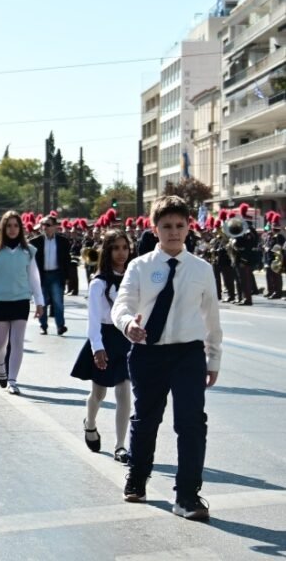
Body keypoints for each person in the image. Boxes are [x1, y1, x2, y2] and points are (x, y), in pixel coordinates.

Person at [112, 195, 222, 521]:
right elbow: (123, 304)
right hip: (148, 352)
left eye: (179, 226)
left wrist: (213, 359)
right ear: (154, 228)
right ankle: (137, 478)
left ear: (189, 227)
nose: (173, 232)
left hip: (188, 353)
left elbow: (212, 319)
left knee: (191, 424)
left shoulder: (201, 269)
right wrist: (128, 323)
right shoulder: (140, 266)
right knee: (146, 420)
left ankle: (187, 496)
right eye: (166, 226)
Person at [71, 228, 133, 463]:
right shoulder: (99, 283)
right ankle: (91, 424)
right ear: (107, 251)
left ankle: (120, 445)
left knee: (124, 392)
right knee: (98, 393)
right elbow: (94, 320)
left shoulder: (133, 277)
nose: (121, 253)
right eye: (115, 248)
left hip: (126, 338)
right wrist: (97, 347)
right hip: (104, 339)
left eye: (125, 248)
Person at [0, 211, 44, 394]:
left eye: (16, 226)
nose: (13, 229)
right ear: (3, 228)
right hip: (0, 301)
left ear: (20, 228)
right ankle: (1, 366)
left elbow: (34, 278)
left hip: (21, 300)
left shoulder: (28, 251)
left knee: (17, 343)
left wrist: (39, 301)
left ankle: (13, 381)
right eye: (9, 226)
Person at [30, 216, 70, 336]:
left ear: (54, 227)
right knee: (42, 302)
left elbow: (66, 260)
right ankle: (43, 326)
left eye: (47, 225)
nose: (44, 227)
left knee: (58, 302)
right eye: (43, 225)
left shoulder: (63, 242)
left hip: (56, 275)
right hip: (41, 276)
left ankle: (60, 326)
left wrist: (67, 277)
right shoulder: (35, 242)